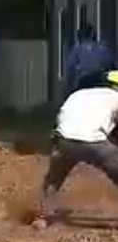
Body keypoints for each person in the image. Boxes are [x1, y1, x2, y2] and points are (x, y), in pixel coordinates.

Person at [33, 70, 118, 229]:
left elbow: (60, 118)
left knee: (53, 179)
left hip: (64, 139)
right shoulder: (115, 97)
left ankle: (42, 218)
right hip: (94, 142)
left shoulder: (79, 94)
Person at [63, 23, 115, 95]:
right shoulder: (104, 48)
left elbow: (70, 70)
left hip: (84, 84)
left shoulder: (77, 50)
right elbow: (113, 65)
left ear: (79, 37)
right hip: (103, 83)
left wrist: (67, 90)